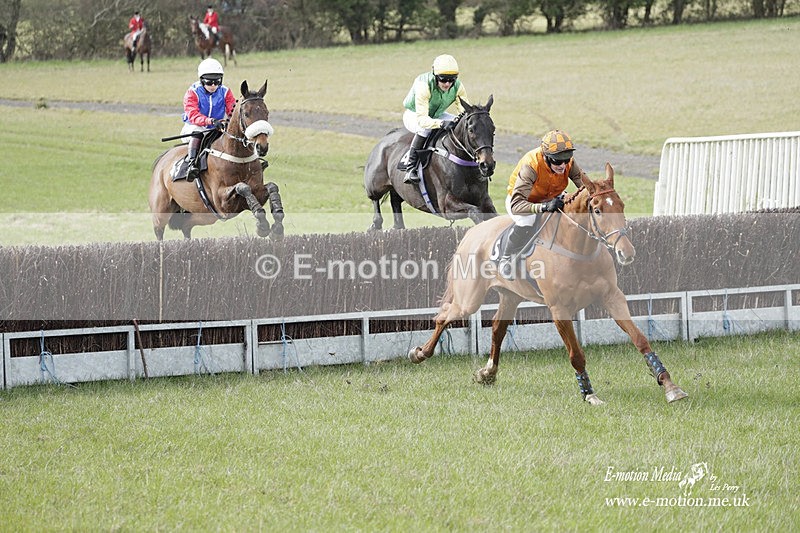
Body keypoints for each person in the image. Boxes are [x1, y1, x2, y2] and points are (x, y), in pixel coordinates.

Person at [498, 129, 588, 279]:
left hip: (551, 196)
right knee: (528, 220)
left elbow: (585, 186)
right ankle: (506, 259)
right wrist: (544, 207)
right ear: (546, 157)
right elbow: (516, 205)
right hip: (523, 201)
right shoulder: (531, 166)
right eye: (558, 161)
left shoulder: (567, 162)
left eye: (567, 159)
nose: (563, 165)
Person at [399, 54, 470, 183]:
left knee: (459, 123)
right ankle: (411, 168)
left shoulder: (458, 86)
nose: (448, 83)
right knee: (424, 129)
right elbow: (423, 120)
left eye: (452, 79)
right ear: (435, 75)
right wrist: (442, 124)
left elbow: (464, 112)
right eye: (443, 79)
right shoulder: (423, 85)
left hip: (436, 115)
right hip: (414, 114)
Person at [178, 58, 236, 182]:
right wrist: (210, 121)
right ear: (202, 80)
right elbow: (193, 115)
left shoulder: (225, 92)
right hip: (195, 127)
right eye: (209, 82)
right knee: (197, 131)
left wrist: (228, 121)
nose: (213, 85)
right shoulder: (192, 92)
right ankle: (191, 164)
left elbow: (233, 110)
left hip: (217, 127)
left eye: (217, 81)